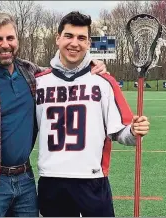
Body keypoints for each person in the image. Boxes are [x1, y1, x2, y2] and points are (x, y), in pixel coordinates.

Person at [0, 12, 107, 217]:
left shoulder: (31, 74)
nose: (5, 44)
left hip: (25, 179)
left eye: (10, 38)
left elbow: (64, 72)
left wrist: (90, 65)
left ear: (17, 40)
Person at [35, 11, 150, 217]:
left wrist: (133, 131)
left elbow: (121, 133)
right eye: (69, 36)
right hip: (51, 180)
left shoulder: (103, 82)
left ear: (89, 43)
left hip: (92, 179)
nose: (74, 43)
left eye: (81, 38)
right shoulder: (37, 83)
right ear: (57, 38)